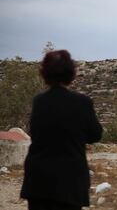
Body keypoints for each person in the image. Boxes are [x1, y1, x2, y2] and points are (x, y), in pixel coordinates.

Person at [20, 50, 103, 210]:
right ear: (71, 73)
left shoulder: (39, 102)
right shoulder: (82, 102)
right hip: (70, 181)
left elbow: (36, 132)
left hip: (39, 180)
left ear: (45, 73)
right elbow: (95, 135)